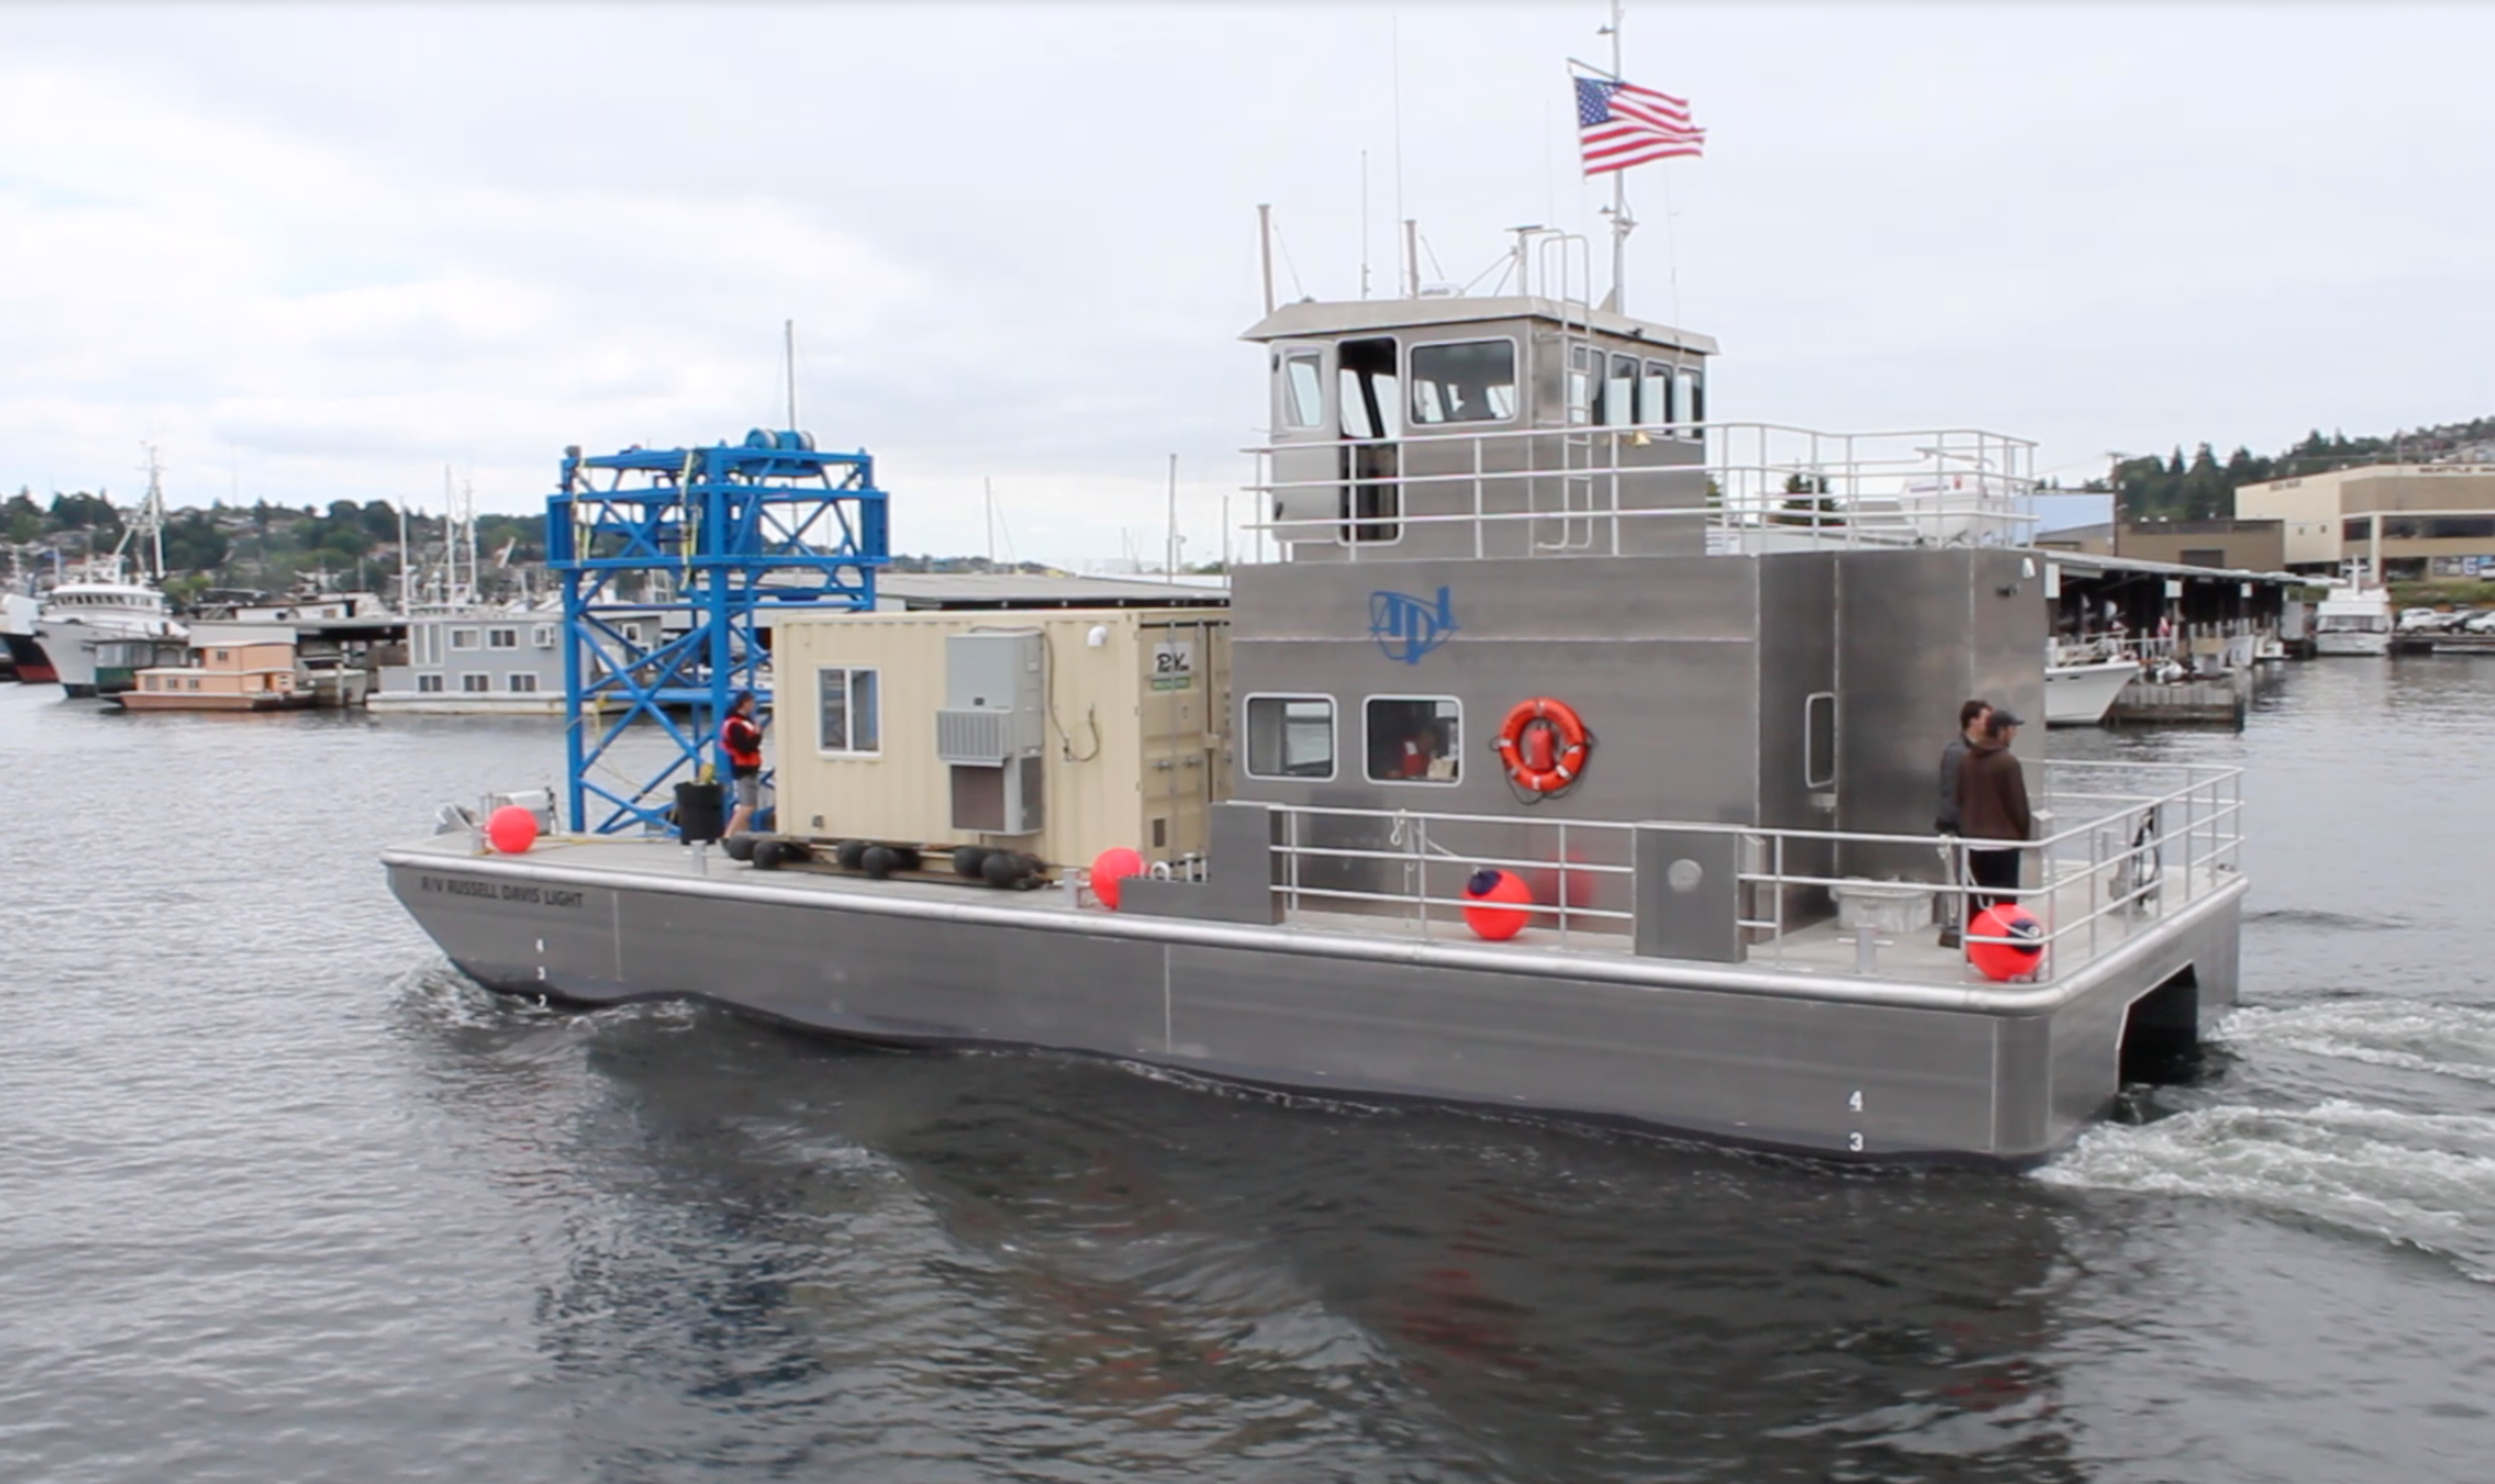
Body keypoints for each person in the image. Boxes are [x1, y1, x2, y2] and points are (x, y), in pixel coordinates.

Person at [1957, 709, 2034, 910]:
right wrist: (2023, 837)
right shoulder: (2007, 762)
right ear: (2001, 731)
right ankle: (2001, 940)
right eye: (2012, 728)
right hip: (2003, 842)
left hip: (1973, 840)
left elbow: (1960, 798)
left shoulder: (1967, 760)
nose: (2015, 733)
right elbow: (2018, 804)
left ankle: (1974, 938)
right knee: (2005, 902)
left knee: (1975, 900)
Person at [1934, 699, 1992, 947]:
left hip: (1980, 828)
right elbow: (1951, 792)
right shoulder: (1957, 753)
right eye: (1985, 717)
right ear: (1973, 720)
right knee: (1963, 878)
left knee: (1977, 880)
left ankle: (1974, 925)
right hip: (1964, 828)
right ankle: (1959, 927)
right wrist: (1953, 825)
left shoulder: (1980, 750)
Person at [720, 691, 766, 837]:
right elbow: (744, 747)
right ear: (744, 703)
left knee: (749, 804)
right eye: (751, 702)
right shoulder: (734, 724)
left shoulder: (745, 721)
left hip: (750, 765)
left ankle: (741, 834)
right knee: (747, 805)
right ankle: (728, 835)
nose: (753, 705)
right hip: (742, 766)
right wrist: (757, 735)